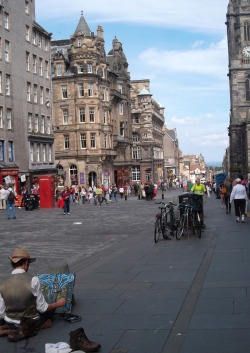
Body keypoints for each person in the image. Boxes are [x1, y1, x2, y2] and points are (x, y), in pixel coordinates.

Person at [0, 248, 66, 342]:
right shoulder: (34, 280)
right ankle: (29, 329)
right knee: (50, 309)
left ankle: (11, 329)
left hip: (10, 323)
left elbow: (1, 312)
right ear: (26, 262)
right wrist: (58, 304)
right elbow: (42, 308)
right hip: (30, 322)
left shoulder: (2, 283)